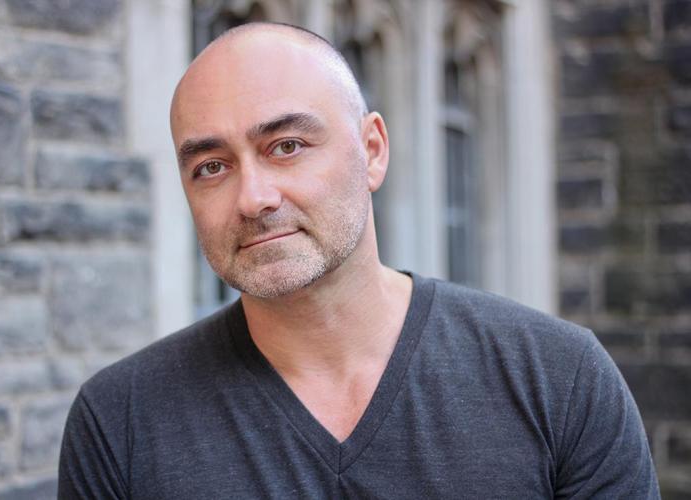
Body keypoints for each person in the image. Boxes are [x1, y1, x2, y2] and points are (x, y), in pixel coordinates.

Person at [58, 22, 659, 499]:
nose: (253, 198)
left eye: (286, 146)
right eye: (211, 166)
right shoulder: (121, 422)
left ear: (371, 151)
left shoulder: (558, 379)